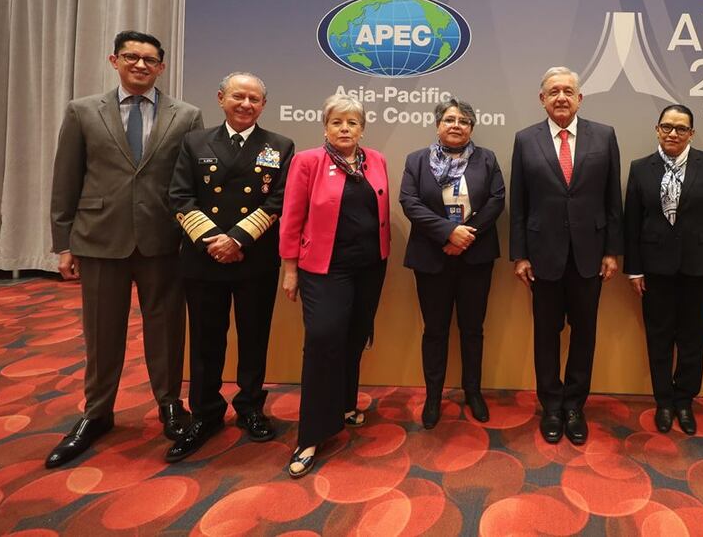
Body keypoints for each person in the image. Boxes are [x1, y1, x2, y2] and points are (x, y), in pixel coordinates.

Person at [47, 30, 203, 468]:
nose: (140, 65)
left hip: (163, 240)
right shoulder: (82, 112)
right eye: (131, 57)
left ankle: (170, 405)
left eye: (149, 60)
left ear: (162, 67)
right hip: (99, 238)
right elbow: (66, 179)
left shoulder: (187, 115)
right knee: (102, 332)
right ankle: (97, 413)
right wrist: (63, 243)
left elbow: (189, 182)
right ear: (114, 60)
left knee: (168, 329)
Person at [164, 72, 295, 462]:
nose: (246, 104)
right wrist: (215, 242)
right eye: (238, 96)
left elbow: (278, 202)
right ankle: (205, 414)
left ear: (263, 105)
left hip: (253, 258)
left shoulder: (279, 146)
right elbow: (179, 197)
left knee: (254, 337)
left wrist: (237, 238)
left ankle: (251, 406)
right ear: (221, 98)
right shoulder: (194, 142)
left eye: (255, 99)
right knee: (206, 340)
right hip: (204, 259)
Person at [278, 94, 390, 478]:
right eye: (337, 122)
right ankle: (310, 435)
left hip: (370, 267)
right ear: (325, 126)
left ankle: (345, 404)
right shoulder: (308, 161)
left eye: (352, 123)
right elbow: (291, 217)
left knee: (356, 336)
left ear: (362, 128)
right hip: (323, 269)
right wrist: (290, 269)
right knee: (324, 339)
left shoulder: (375, 160)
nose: (345, 129)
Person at [510, 66, 623, 446]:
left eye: (568, 91)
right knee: (546, 335)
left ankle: (574, 406)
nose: (561, 97)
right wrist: (520, 255)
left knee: (584, 335)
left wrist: (612, 250)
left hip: (590, 256)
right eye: (554, 91)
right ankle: (551, 406)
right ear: (542, 99)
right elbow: (520, 203)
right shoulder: (525, 140)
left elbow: (612, 200)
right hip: (542, 257)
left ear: (580, 98)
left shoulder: (604, 136)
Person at [624, 104, 703, 435]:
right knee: (658, 338)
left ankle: (684, 401)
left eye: (681, 128)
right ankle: (663, 401)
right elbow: (631, 223)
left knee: (693, 338)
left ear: (692, 133)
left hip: (699, 268)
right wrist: (634, 270)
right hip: (654, 269)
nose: (673, 133)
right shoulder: (641, 168)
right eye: (667, 127)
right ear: (657, 129)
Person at [399, 100, 505, 429]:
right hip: (432, 258)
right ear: (438, 125)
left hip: (475, 257)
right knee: (435, 331)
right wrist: (448, 232)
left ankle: (473, 392)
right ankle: (433, 396)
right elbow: (409, 201)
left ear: (472, 127)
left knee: (473, 330)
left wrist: (466, 236)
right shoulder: (417, 160)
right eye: (449, 119)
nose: (456, 125)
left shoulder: (486, 159)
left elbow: (497, 199)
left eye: (463, 120)